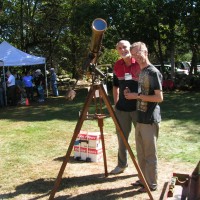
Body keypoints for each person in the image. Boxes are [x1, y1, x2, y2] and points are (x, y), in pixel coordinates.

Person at [125, 41, 163, 192]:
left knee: (150, 155)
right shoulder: (142, 72)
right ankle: (143, 180)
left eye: (138, 52)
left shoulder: (153, 72)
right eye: (133, 54)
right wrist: (131, 93)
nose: (136, 56)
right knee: (140, 154)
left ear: (145, 51)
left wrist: (136, 96)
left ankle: (151, 184)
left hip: (149, 120)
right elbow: (143, 94)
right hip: (140, 119)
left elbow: (159, 98)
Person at [111, 40, 141, 174]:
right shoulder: (117, 65)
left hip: (139, 108)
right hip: (122, 109)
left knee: (141, 139)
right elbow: (115, 86)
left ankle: (142, 168)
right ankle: (122, 164)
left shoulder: (139, 63)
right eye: (119, 48)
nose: (122, 50)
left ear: (130, 48)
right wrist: (116, 103)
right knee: (122, 138)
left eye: (125, 47)